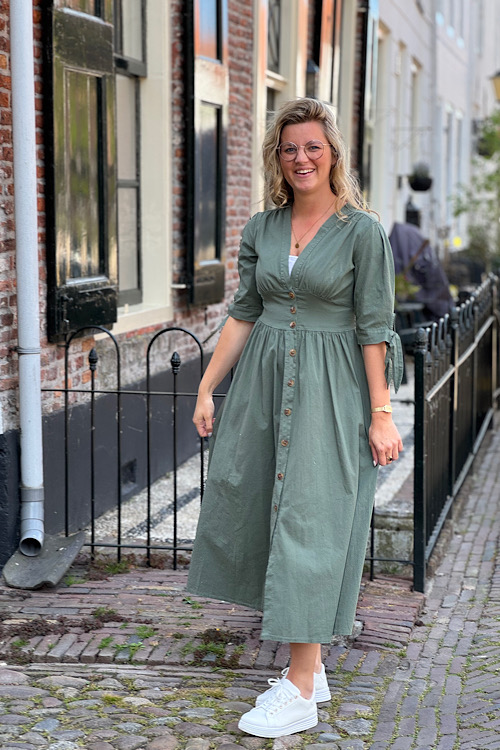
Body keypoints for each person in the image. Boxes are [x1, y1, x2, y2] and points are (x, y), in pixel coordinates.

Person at [186, 97, 404, 739]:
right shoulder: (263, 227)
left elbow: (374, 328)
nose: (301, 157)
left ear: (332, 152)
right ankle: (311, 669)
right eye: (289, 148)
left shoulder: (362, 231)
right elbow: (244, 312)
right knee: (266, 510)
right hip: (264, 383)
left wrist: (382, 413)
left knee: (311, 518)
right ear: (276, 158)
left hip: (332, 389)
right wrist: (207, 387)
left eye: (312, 146)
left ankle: (300, 687)